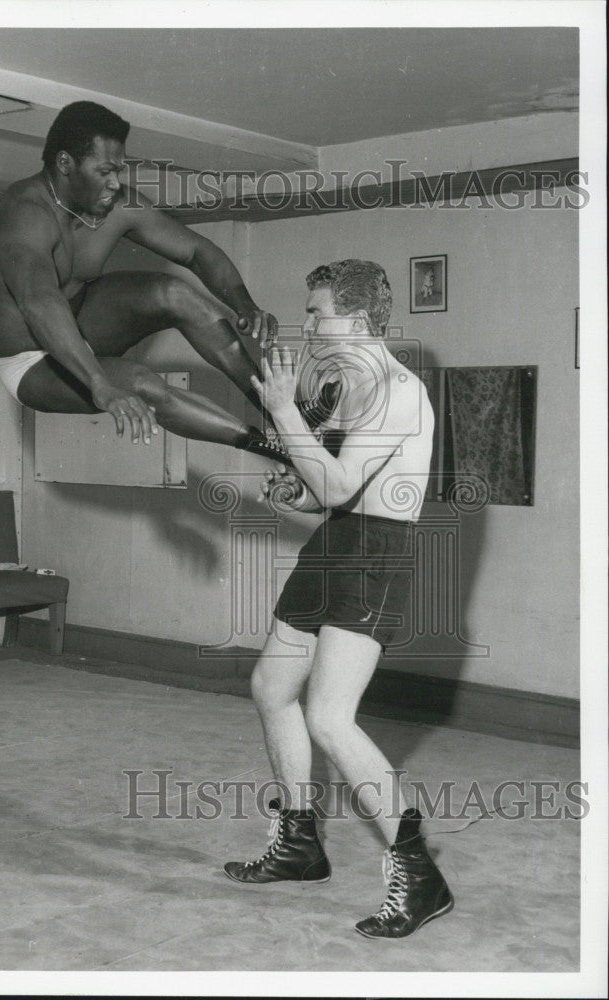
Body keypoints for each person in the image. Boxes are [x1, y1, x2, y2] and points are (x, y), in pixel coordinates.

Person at [223, 259, 454, 939]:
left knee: (329, 717)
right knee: (271, 686)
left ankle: (420, 876)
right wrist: (292, 486)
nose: (308, 323)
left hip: (375, 554)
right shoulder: (348, 385)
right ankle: (298, 842)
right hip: (336, 543)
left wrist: (280, 413)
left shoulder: (396, 389)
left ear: (355, 319)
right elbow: (325, 485)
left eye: (317, 311)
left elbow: (336, 484)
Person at [0, 101, 289, 460]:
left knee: (175, 293)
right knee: (142, 384)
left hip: (83, 321)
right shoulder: (24, 213)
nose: (115, 183)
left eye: (119, 170)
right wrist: (98, 383)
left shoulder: (116, 205)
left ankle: (281, 412)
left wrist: (245, 305)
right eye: (104, 171)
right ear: (64, 164)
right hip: (30, 361)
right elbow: (38, 300)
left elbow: (197, 252)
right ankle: (276, 450)